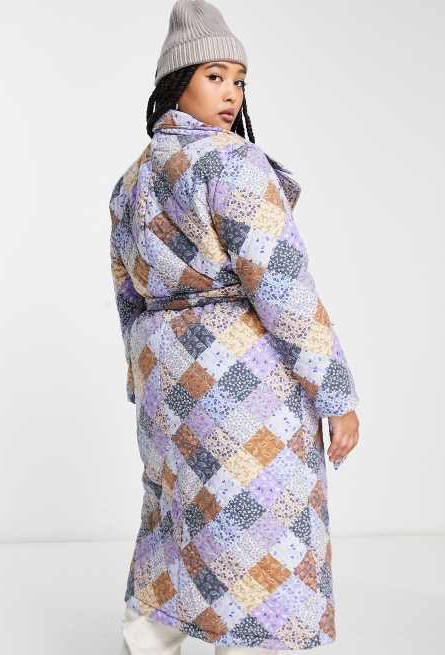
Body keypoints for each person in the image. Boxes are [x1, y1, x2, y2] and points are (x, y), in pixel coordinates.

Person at [109, 1, 360, 652]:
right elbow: (282, 283)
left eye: (239, 80)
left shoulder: (133, 178)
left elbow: (127, 290)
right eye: (214, 76)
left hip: (166, 376)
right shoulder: (231, 162)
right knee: (264, 516)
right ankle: (256, 642)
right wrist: (334, 392)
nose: (230, 94)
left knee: (176, 509)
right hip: (241, 376)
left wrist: (140, 379)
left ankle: (151, 634)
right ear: (176, 82)